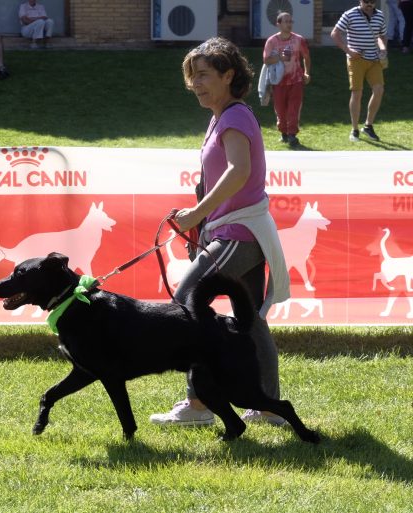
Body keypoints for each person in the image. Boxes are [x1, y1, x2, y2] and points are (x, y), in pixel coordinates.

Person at [149, 37, 291, 428]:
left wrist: (196, 214)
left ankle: (199, 405)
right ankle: (267, 407)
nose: (196, 83)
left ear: (229, 76)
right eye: (192, 76)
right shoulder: (223, 117)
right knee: (250, 321)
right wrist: (198, 214)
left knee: (187, 303)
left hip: (237, 233)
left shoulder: (234, 117)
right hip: (237, 231)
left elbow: (239, 171)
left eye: (205, 75)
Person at [331, 0, 387, 142]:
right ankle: (354, 129)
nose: (369, 4)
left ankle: (368, 126)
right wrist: (348, 50)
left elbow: (381, 36)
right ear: (360, 1)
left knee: (379, 90)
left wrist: (382, 48)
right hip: (356, 59)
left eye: (372, 2)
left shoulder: (380, 15)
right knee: (357, 93)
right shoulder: (350, 14)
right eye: (366, 1)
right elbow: (335, 33)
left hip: (374, 59)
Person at [262, 12, 311, 149]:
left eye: (290, 21)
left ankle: (292, 135)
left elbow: (306, 57)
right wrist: (280, 58)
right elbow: (266, 60)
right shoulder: (271, 41)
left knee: (294, 109)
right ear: (278, 24)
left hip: (296, 80)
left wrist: (306, 73)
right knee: (280, 110)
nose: (289, 24)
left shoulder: (299, 39)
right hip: (278, 82)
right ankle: (283, 132)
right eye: (286, 22)